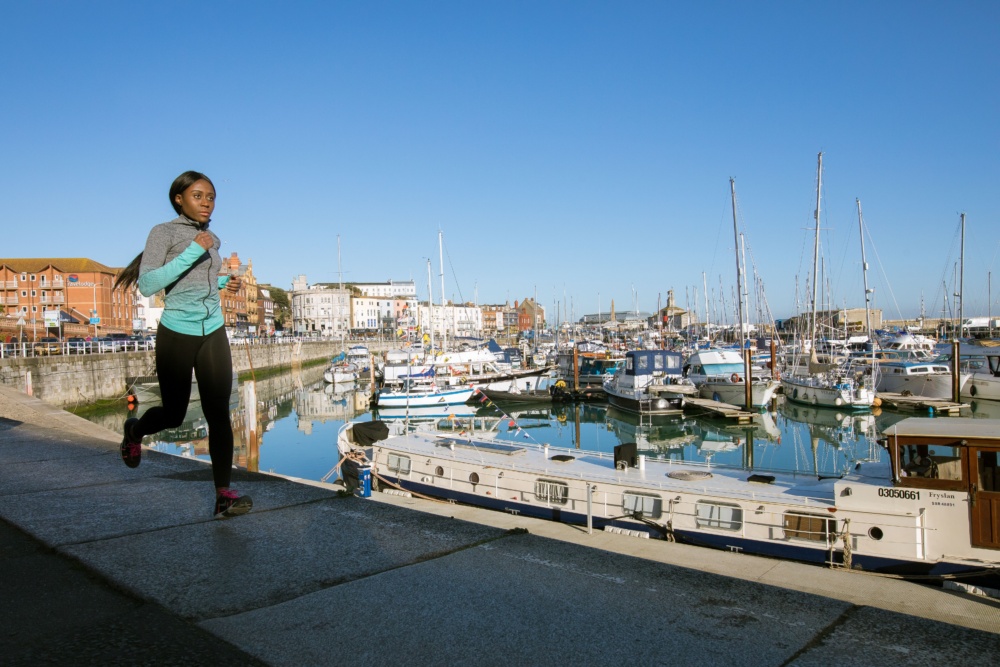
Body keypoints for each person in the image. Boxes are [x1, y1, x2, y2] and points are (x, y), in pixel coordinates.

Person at [114, 171, 251, 518]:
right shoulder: (163, 233)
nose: (206, 202)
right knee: (174, 414)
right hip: (177, 329)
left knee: (219, 413)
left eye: (211, 197)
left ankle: (223, 495)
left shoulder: (212, 238)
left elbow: (200, 279)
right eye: (198, 196)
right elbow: (149, 284)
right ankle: (135, 429)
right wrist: (193, 251)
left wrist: (224, 282)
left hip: (213, 329)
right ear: (179, 198)